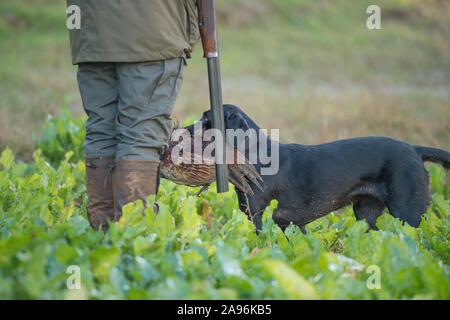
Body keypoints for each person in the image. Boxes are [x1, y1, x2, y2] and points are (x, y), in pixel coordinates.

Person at [67, 1, 200, 231]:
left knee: (101, 130)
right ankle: (132, 240)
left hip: (91, 27)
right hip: (153, 25)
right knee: (141, 135)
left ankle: (102, 238)